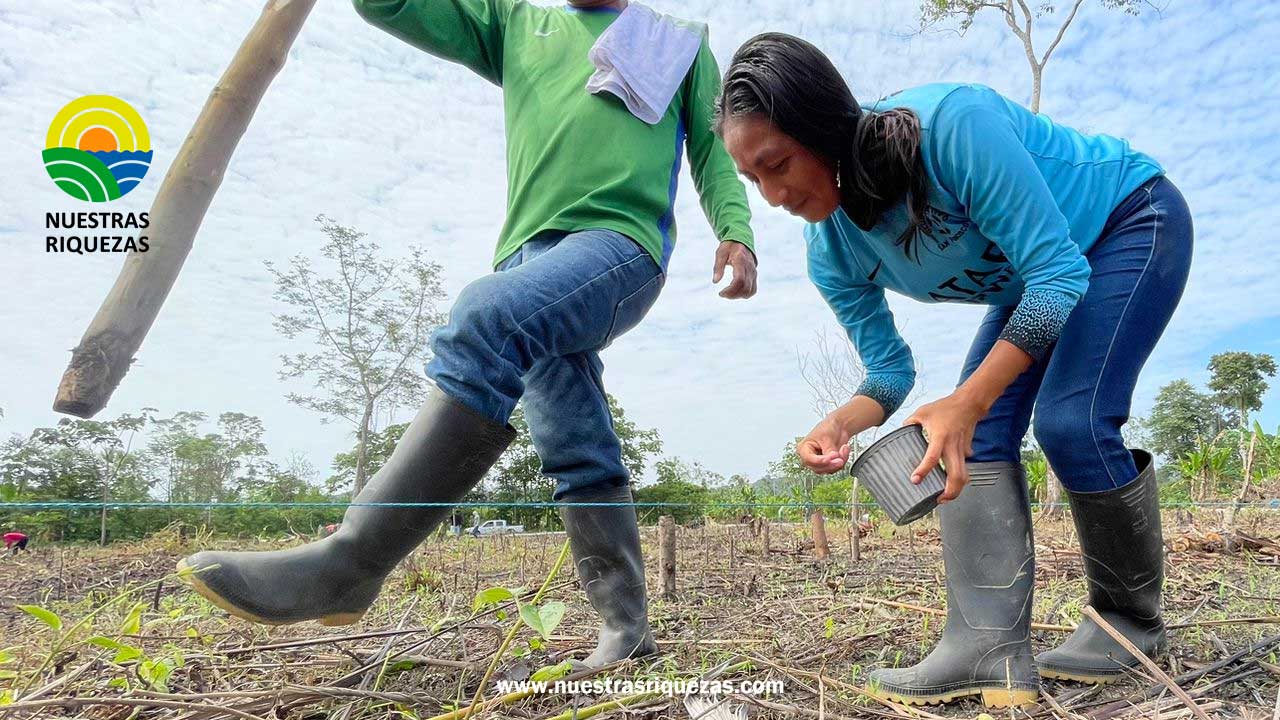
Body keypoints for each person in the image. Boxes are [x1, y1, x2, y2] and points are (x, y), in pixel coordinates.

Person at [178, 0, 756, 669]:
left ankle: (353, 560)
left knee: (486, 319)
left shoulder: (677, 42)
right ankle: (627, 634)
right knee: (575, 444)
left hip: (619, 246)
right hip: (527, 259)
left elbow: (713, 151)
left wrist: (734, 231)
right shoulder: (514, 23)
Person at [714, 33, 1190, 707]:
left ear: (822, 128)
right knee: (976, 435)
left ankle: (1131, 623)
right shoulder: (831, 251)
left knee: (1070, 421)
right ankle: (986, 650)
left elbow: (1058, 278)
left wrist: (967, 400)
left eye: (777, 164)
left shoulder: (953, 128)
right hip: (1039, 280)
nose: (770, 195)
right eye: (751, 180)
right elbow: (888, 370)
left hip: (1129, 221)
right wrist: (841, 421)